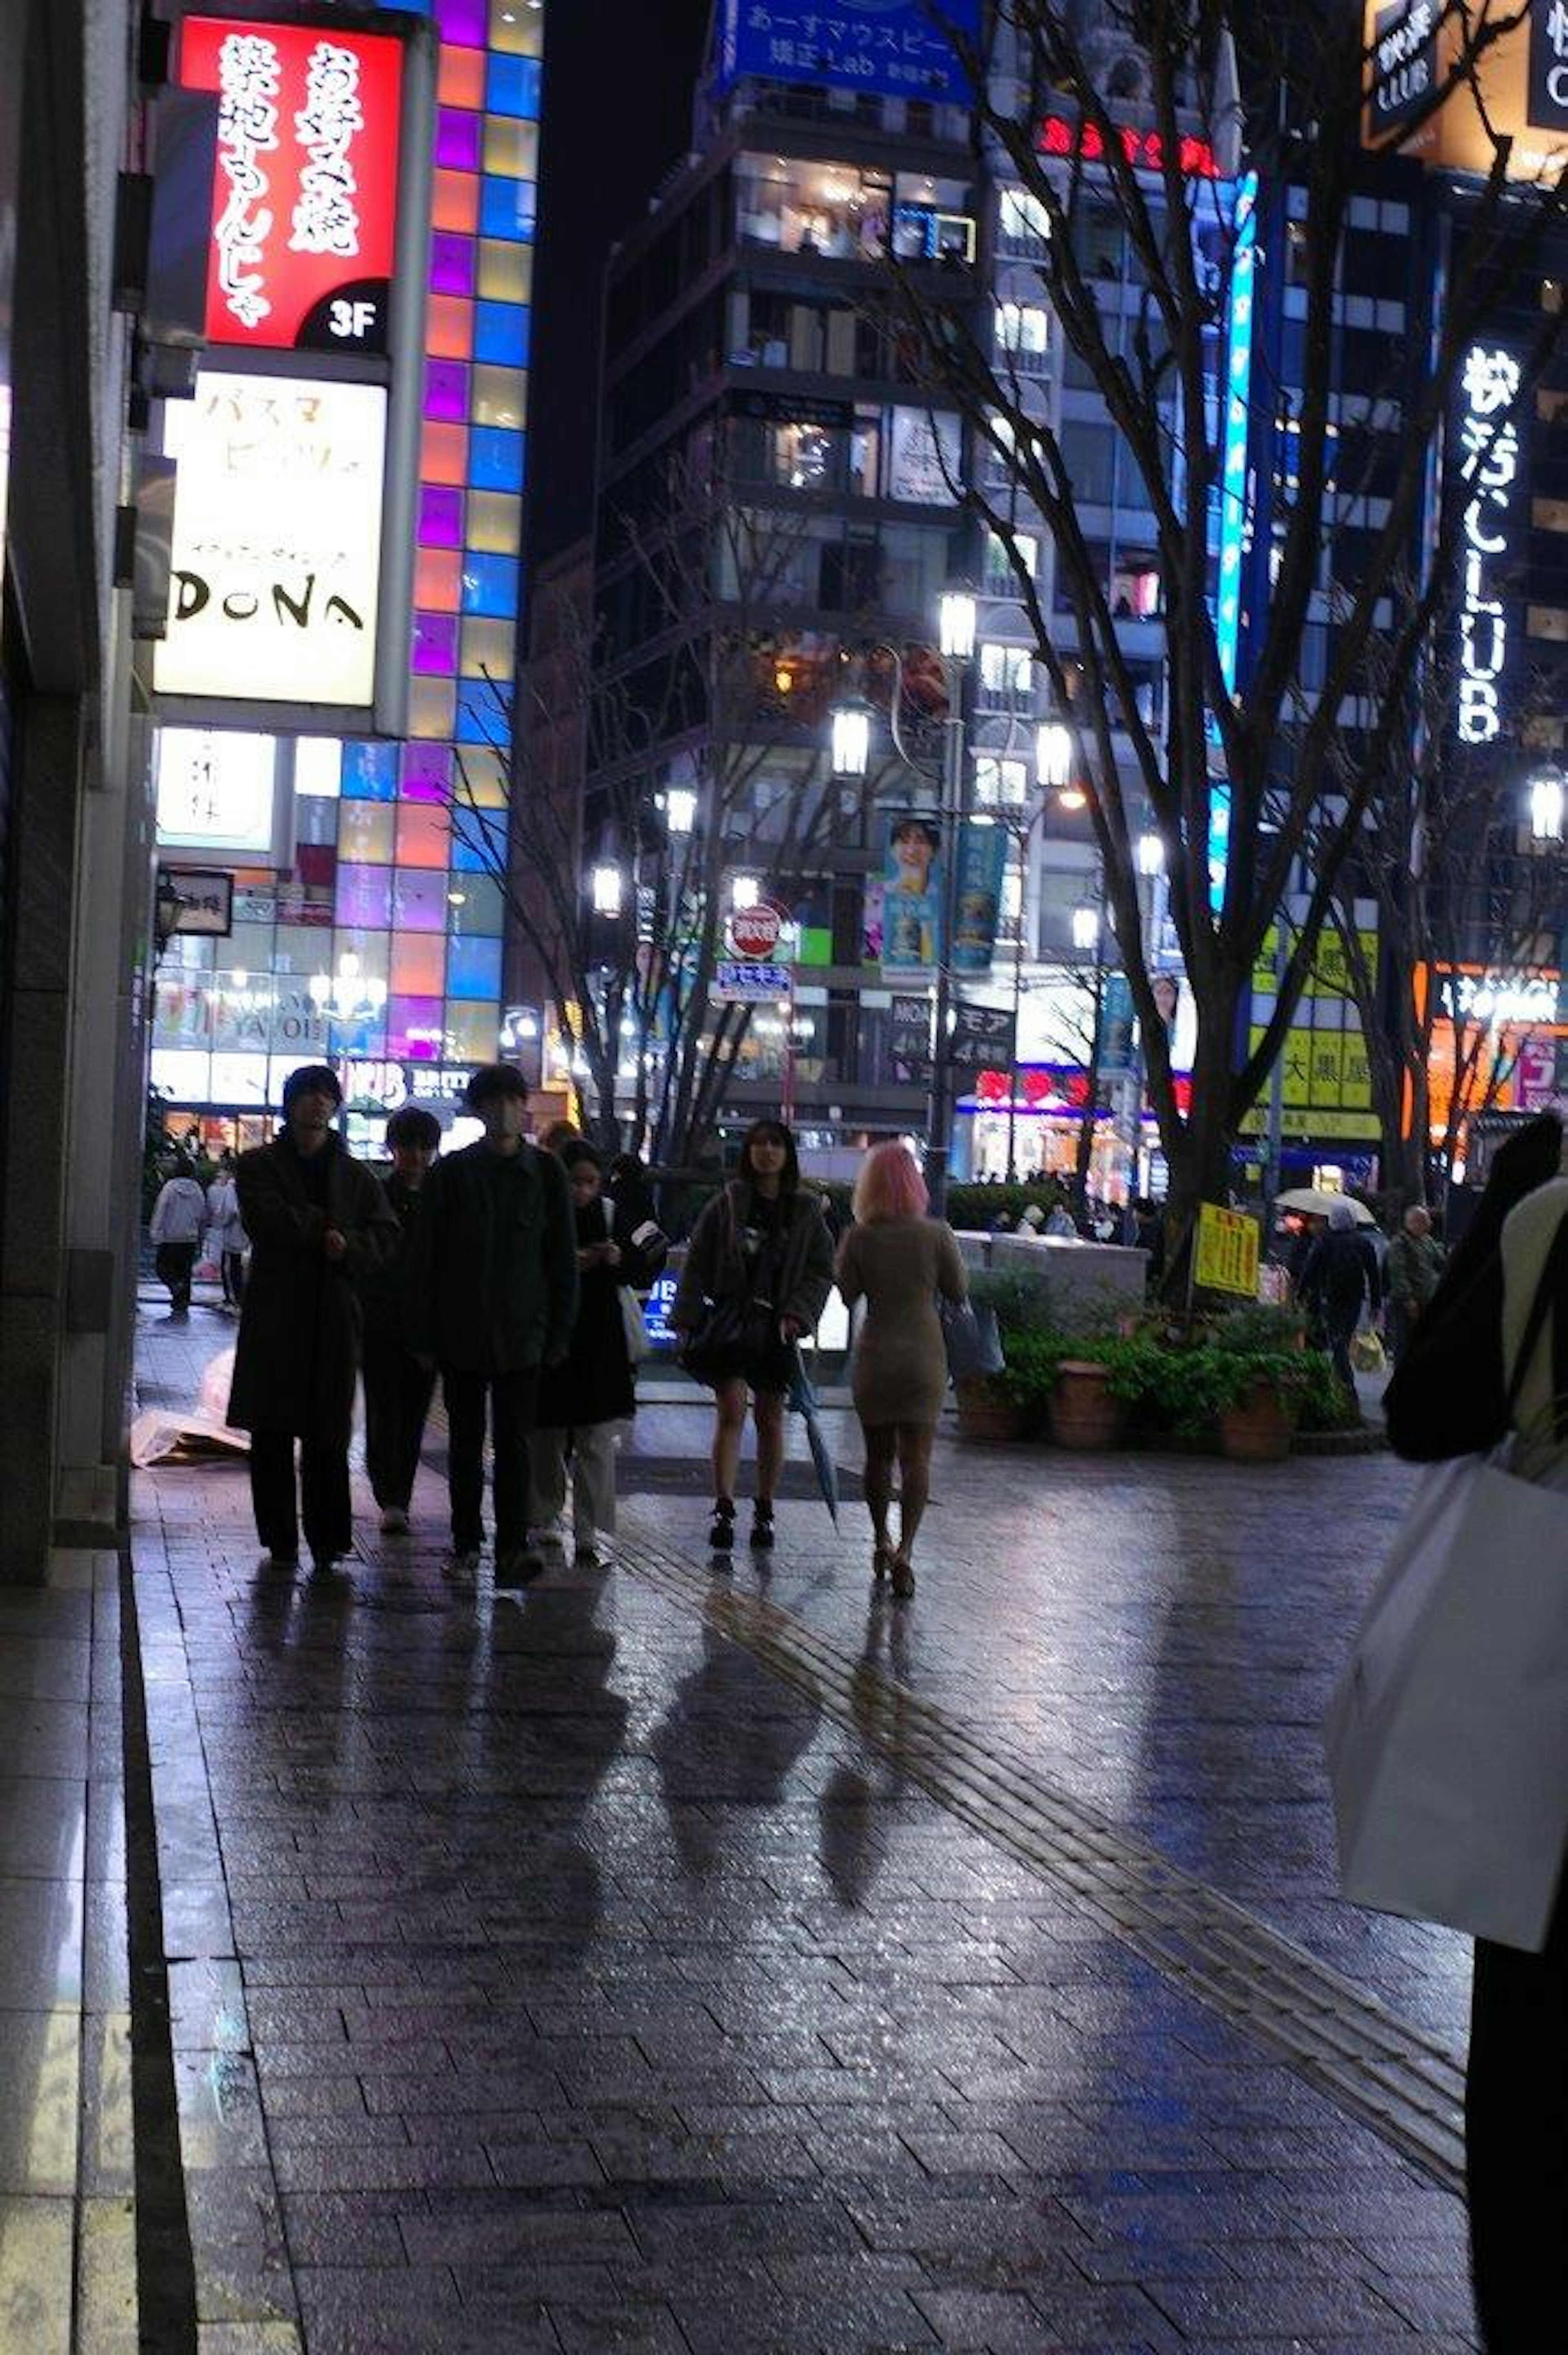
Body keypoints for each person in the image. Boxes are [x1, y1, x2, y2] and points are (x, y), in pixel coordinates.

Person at [1383, 1111, 1567, 2351]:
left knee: (1534, 2056)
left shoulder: (1551, 1222)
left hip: (1549, 1683)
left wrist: (1503, 1190)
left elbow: (1421, 1410)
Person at [405, 1063, 577, 1585]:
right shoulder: (452, 1175)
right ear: (479, 1111)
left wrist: (559, 1333)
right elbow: (424, 1259)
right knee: (464, 1442)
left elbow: (561, 1261)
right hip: (462, 1332)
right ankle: (465, 1542)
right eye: (493, 1102)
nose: (504, 1111)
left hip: (526, 1334)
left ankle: (511, 1545)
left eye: (512, 1100)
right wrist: (422, 1335)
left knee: (516, 1444)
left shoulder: (547, 1174)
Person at [229, 1064, 400, 1574]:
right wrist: (327, 1229)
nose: (318, 1103)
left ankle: (329, 1541)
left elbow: (386, 1236)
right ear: (291, 1104)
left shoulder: (355, 1174)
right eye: (307, 1095)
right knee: (273, 1432)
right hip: (276, 1314)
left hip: (332, 1315)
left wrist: (349, 1247)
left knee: (329, 1434)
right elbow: (266, 1219)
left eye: (326, 1095)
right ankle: (280, 1540)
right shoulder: (258, 1163)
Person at [672, 1117, 835, 1554]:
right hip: (731, 1321)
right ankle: (724, 1505)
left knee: (770, 1417)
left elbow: (821, 1271)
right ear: (748, 1152)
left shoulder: (805, 1210)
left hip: (778, 1328)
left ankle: (765, 1507)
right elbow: (697, 1262)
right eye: (759, 1144)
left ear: (787, 1153)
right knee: (731, 1410)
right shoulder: (727, 1204)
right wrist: (686, 1320)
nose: (767, 1152)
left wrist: (798, 1314)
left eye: (776, 1144)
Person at [834, 1141, 967, 1599]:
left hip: (877, 1354)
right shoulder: (937, 1234)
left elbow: (847, 1293)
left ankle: (879, 1541)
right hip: (923, 1356)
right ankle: (907, 1552)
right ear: (916, 1183)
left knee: (878, 1458)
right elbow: (958, 1290)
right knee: (917, 1459)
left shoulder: (860, 1237)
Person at [527, 1141, 662, 1566]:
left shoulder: (610, 1215)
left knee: (596, 1441)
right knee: (548, 1437)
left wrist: (618, 1258)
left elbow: (645, 1262)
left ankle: (588, 1528)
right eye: (574, 1181)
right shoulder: (542, 1213)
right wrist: (572, 1262)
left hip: (600, 1344)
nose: (582, 1191)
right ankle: (546, 1517)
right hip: (553, 1342)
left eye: (589, 1182)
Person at [357, 1105, 442, 1536]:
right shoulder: (377, 1196)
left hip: (424, 1326)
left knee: (411, 1417)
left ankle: (399, 1497)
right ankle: (389, 1494)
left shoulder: (440, 1199)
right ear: (393, 1148)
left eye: (425, 1147)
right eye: (408, 1146)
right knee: (384, 1411)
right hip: (382, 1323)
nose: (416, 1155)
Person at [1297, 1199, 1381, 1396]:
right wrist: (1375, 1303)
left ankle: (1344, 1383)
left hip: (1329, 1296)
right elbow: (1374, 1275)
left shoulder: (1324, 1241)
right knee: (1343, 1339)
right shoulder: (1364, 1243)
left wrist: (1301, 1294)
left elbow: (1310, 1270)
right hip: (1354, 1298)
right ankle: (1342, 1383)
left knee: (1336, 1341)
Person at [1383, 1203, 1446, 1365]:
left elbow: (1440, 1263)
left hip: (1425, 1300)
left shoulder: (1427, 1241)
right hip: (1407, 1304)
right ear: (1413, 1223)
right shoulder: (1400, 1243)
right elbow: (1398, 1272)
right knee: (1404, 1343)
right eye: (1425, 1221)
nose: (1430, 1224)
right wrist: (1408, 1299)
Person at [149, 1157, 207, 1315]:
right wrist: (201, 1236)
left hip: (170, 1236)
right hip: (190, 1237)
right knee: (185, 1270)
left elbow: (161, 1210)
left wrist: (156, 1232)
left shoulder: (170, 1188)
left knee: (163, 1268)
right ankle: (182, 1301)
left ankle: (175, 1286)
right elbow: (203, 1215)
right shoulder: (197, 1190)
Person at [204, 1153, 248, 1309]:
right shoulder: (246, 1186)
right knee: (236, 1266)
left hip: (231, 1232)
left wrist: (223, 1223)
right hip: (243, 1233)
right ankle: (237, 1298)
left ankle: (233, 1299)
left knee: (229, 1267)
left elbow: (231, 1210)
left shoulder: (231, 1187)